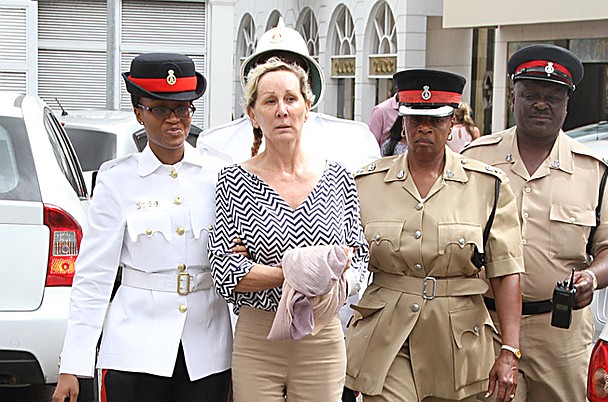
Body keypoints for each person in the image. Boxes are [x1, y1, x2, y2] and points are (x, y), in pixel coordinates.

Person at [52, 53, 233, 402]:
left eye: (183, 108)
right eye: (161, 109)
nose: (175, 119)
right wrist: (73, 363)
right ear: (139, 113)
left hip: (207, 347)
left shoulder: (218, 174)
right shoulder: (117, 180)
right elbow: (93, 277)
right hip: (135, 347)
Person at [462, 44, 608, 402]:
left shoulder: (593, 171)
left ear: (567, 104)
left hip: (561, 333)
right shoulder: (474, 161)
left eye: (553, 97)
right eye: (531, 95)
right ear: (514, 97)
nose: (541, 104)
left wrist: (592, 277)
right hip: (485, 325)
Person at [345, 69, 524, 402]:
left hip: (458, 340)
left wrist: (509, 350)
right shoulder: (365, 184)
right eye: (415, 121)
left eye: (435, 121)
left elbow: (505, 272)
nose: (424, 129)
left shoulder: (487, 186)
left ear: (452, 121)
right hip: (387, 336)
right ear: (402, 122)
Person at [207, 57, 369, 401]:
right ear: (253, 114)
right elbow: (225, 272)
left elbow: (359, 257)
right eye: (269, 101)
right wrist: (306, 269)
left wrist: (338, 275)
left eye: (290, 99)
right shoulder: (234, 180)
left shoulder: (338, 177)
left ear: (306, 107)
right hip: (258, 340)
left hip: (322, 339)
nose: (282, 110)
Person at [197, 18, 380, 174]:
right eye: (268, 66)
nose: (280, 74)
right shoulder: (216, 144)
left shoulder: (351, 139)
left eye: (292, 66)